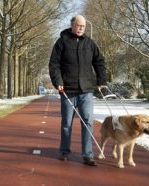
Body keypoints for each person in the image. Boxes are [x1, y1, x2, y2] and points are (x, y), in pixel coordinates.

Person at [49, 15, 107, 166]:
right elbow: (54, 64)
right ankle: (64, 151)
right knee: (67, 123)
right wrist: (58, 82)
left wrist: (101, 80)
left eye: (83, 26)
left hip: (86, 90)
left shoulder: (90, 43)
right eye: (78, 25)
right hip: (67, 90)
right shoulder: (61, 42)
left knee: (87, 122)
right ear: (72, 24)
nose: (81, 28)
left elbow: (99, 62)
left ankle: (88, 155)